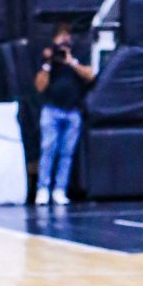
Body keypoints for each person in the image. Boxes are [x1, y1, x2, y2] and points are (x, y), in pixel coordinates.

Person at [32, 22, 95, 206]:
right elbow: (39, 86)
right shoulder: (48, 58)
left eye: (67, 36)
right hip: (52, 110)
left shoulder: (78, 54)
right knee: (48, 150)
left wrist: (71, 62)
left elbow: (90, 76)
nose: (65, 40)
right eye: (61, 36)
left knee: (66, 153)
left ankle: (60, 189)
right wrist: (48, 63)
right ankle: (43, 188)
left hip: (73, 111)